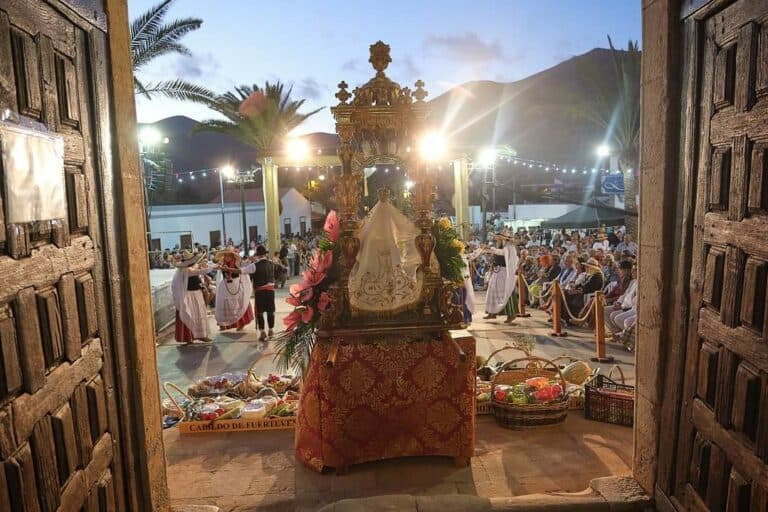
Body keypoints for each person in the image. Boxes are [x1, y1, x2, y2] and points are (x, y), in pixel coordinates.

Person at [171, 250, 213, 344]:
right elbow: (199, 271)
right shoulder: (186, 270)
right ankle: (189, 337)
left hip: (196, 293)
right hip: (189, 295)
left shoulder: (189, 268)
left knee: (199, 314)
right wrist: (214, 267)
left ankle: (201, 335)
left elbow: (196, 268)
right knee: (190, 314)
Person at [214, 247, 255, 332]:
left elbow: (244, 267)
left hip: (236, 284)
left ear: (232, 255)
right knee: (222, 302)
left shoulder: (237, 262)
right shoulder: (222, 262)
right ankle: (223, 324)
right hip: (225, 284)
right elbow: (216, 267)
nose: (227, 257)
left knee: (239, 302)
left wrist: (250, 261)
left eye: (229, 255)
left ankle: (241, 322)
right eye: (226, 255)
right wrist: (220, 268)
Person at [483, 230, 520, 324]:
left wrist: (490, 249)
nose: (497, 239)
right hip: (497, 271)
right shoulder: (500, 246)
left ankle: (511, 314)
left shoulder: (509, 247)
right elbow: (497, 253)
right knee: (492, 290)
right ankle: (492, 312)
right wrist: (487, 249)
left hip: (505, 273)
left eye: (499, 238)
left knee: (505, 293)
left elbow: (502, 253)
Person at [242, 245, 276, 341]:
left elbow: (242, 271)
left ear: (257, 255)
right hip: (270, 291)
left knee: (260, 312)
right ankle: (271, 330)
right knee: (270, 311)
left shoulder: (254, 266)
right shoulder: (271, 264)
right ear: (265, 254)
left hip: (260, 292)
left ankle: (262, 332)